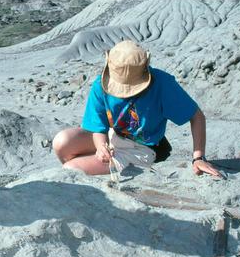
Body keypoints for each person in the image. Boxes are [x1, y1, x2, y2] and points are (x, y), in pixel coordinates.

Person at [53, 40, 221, 178]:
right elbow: (98, 127)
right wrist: (101, 147)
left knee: (71, 168)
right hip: (113, 137)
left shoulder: (162, 84)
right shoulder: (100, 85)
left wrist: (198, 157)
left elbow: (196, 116)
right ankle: (93, 172)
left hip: (143, 148)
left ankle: (94, 173)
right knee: (61, 142)